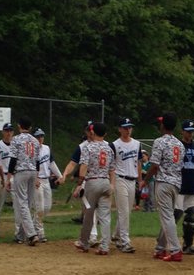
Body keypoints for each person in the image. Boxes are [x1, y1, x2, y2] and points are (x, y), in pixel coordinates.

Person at [146, 112, 185, 261]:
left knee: (167, 217)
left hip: (163, 182)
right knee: (167, 215)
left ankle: (175, 250)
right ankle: (160, 248)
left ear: (163, 125)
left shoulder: (159, 142)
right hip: (176, 183)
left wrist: (145, 180)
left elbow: (155, 165)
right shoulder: (180, 144)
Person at [76, 121, 115, 254]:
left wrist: (79, 183)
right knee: (105, 216)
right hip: (106, 183)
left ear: (92, 132)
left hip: (92, 183)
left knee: (88, 214)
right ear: (105, 134)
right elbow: (112, 170)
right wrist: (112, 185)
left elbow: (84, 166)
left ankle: (84, 242)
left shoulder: (88, 147)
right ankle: (104, 246)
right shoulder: (109, 148)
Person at [6, 119, 41, 246]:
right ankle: (21, 235)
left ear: (19, 126)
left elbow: (13, 159)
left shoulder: (16, 139)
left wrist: (8, 177)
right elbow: (37, 161)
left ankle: (31, 234)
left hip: (21, 171)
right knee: (28, 203)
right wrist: (37, 176)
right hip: (32, 172)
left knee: (22, 203)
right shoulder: (35, 140)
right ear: (30, 127)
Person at [112, 117, 142, 253]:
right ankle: (125, 241)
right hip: (120, 179)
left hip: (132, 179)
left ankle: (117, 235)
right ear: (119, 129)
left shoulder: (137, 144)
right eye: (125, 127)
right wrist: (111, 182)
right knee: (124, 211)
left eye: (129, 127)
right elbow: (111, 166)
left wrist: (140, 180)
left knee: (126, 211)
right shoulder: (114, 145)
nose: (128, 130)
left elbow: (139, 162)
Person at [177, 120, 194, 255]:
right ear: (182, 131)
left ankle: (188, 244)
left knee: (191, 216)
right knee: (176, 214)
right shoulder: (177, 146)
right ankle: (165, 243)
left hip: (192, 186)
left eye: (192, 131)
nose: (190, 134)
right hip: (179, 186)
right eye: (188, 131)